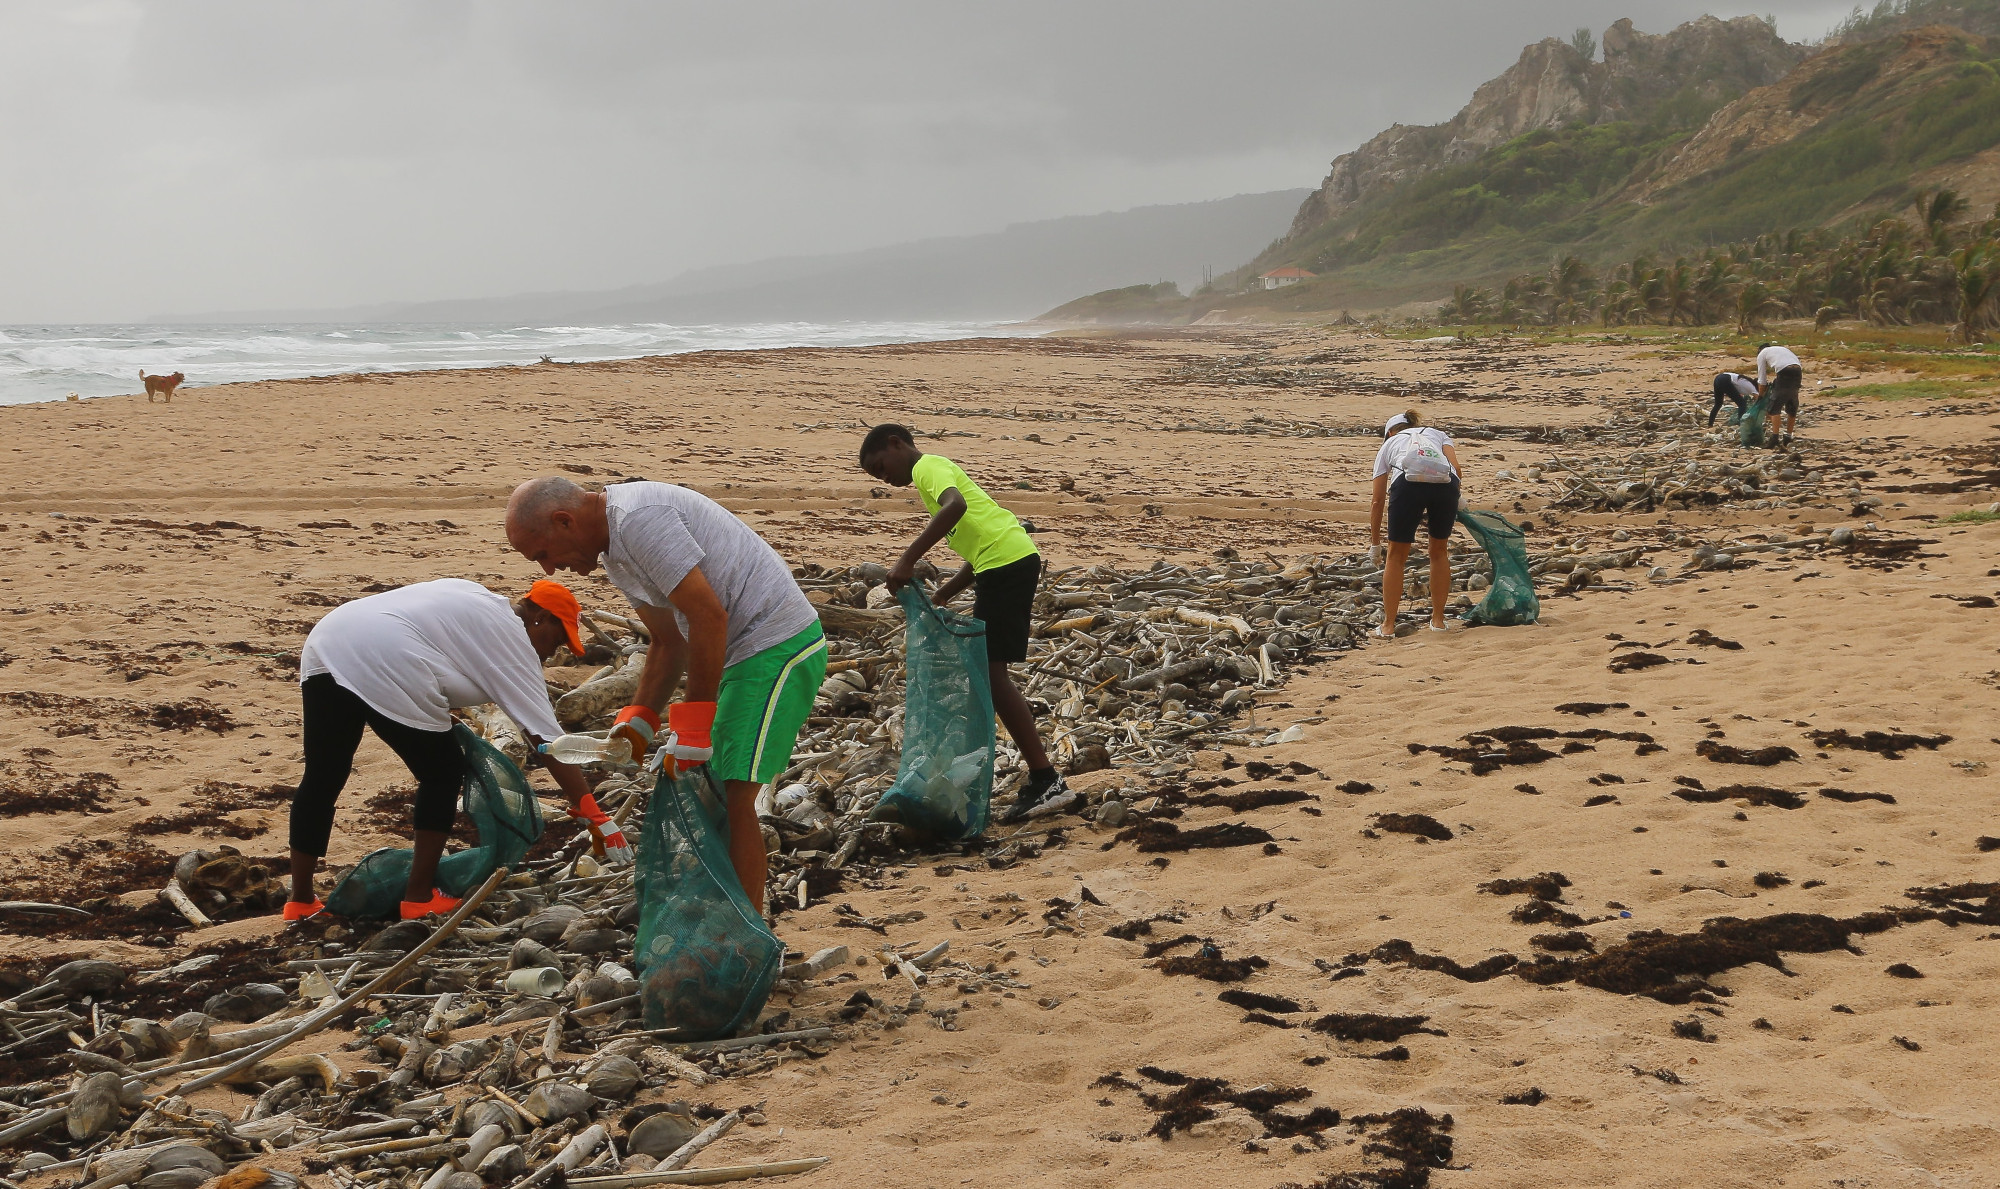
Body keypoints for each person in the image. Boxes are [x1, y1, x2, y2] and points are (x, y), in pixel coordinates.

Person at [504, 477, 826, 914]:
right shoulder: (615, 551)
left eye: (542, 554)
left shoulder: (639, 520)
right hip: (740, 656)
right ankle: (725, 914)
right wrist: (639, 721)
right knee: (711, 792)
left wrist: (691, 729)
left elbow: (709, 617)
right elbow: (667, 640)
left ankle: (746, 932)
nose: (548, 570)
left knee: (734, 794)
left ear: (564, 521)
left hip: (776, 646)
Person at [286, 578, 601, 922]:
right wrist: (591, 810)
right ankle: (418, 898)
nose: (552, 653)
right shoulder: (514, 639)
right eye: (557, 639)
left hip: (329, 638)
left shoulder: (474, 595)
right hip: (388, 653)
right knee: (442, 773)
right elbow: (546, 740)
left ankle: (300, 900)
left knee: (324, 774)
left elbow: (436, 647)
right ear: (540, 616)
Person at [857, 423, 1070, 823]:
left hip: (1007, 565)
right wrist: (945, 593)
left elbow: (957, 507)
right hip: (1003, 562)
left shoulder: (929, 468)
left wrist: (906, 559)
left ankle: (1046, 779)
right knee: (990, 673)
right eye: (875, 477)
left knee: (991, 674)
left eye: (880, 466)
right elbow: (980, 544)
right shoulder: (929, 484)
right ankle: (1042, 776)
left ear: (896, 443)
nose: (884, 478)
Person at [1368, 410, 1465, 637]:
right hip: (1446, 485)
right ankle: (1438, 622)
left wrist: (1375, 544)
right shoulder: (1438, 434)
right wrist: (1453, 497)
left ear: (1390, 432)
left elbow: (1377, 499)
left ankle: (1388, 626)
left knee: (1396, 555)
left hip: (1408, 485)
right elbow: (1457, 470)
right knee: (1439, 551)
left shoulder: (1390, 444)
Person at [1755, 342, 1804, 440]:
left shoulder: (1762, 354)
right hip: (1798, 371)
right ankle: (1788, 436)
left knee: (1774, 407)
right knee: (1792, 403)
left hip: (1785, 371)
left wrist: (1760, 396)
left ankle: (1774, 438)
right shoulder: (1780, 349)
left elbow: (1762, 380)